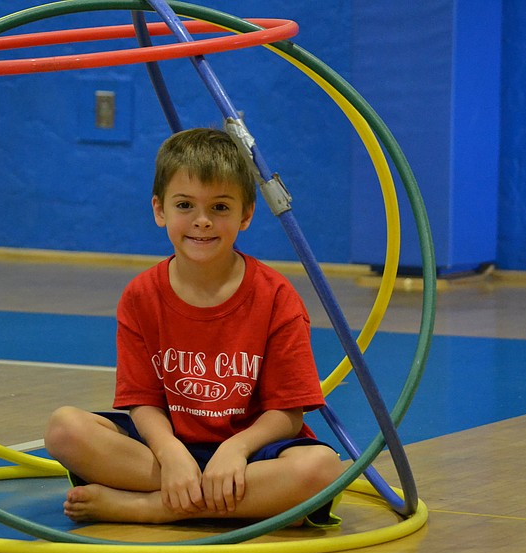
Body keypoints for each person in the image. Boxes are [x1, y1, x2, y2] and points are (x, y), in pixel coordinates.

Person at [44, 127, 343, 526]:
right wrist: (170, 452)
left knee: (321, 468)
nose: (201, 221)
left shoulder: (276, 296)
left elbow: (287, 415)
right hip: (163, 450)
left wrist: (235, 450)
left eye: (220, 207)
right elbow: (143, 403)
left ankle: (150, 508)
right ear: (159, 210)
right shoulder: (141, 295)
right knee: (65, 429)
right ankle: (248, 504)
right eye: (185, 205)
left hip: (249, 453)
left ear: (246, 214)